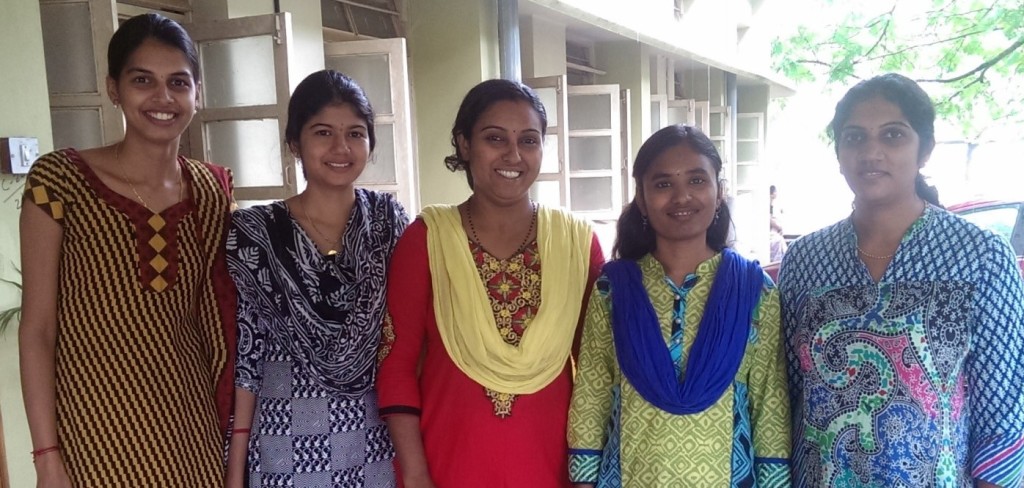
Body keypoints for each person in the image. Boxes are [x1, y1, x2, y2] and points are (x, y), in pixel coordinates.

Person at [18, 13, 236, 487]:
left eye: (178, 82)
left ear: (197, 93)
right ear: (113, 88)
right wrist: (46, 457)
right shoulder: (60, 181)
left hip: (192, 434)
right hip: (91, 437)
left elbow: (220, 316)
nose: (163, 97)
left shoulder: (212, 190)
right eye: (143, 80)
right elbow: (38, 329)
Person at [779, 73, 1024, 487]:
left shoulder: (980, 256)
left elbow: (1002, 415)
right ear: (838, 154)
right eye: (855, 138)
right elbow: (788, 394)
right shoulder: (805, 260)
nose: (871, 152)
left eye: (893, 135)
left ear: (924, 149)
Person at [375, 79, 604, 487]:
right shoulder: (428, 239)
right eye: (495, 138)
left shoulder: (576, 244)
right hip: (447, 467)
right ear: (464, 144)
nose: (513, 155)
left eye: (528, 140)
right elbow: (396, 363)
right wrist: (415, 473)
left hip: (552, 468)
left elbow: (597, 371)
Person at [567, 124, 791, 487]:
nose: (682, 196)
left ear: (719, 191)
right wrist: (583, 479)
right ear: (642, 199)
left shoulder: (755, 291)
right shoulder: (613, 290)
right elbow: (592, 393)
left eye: (697, 180)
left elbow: (770, 402)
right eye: (663, 184)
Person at [224, 70, 408, 487]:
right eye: (323, 132)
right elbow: (248, 355)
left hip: (377, 437)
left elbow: (406, 339)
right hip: (285, 438)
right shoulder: (258, 233)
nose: (341, 148)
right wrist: (236, 467)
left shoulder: (388, 222)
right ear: (295, 142)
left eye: (355, 134)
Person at [769, 185, 787, 262]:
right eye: (775, 192)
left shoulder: (774, 205)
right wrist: (779, 227)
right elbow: (769, 219)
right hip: (771, 234)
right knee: (779, 242)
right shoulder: (767, 205)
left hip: (775, 232)